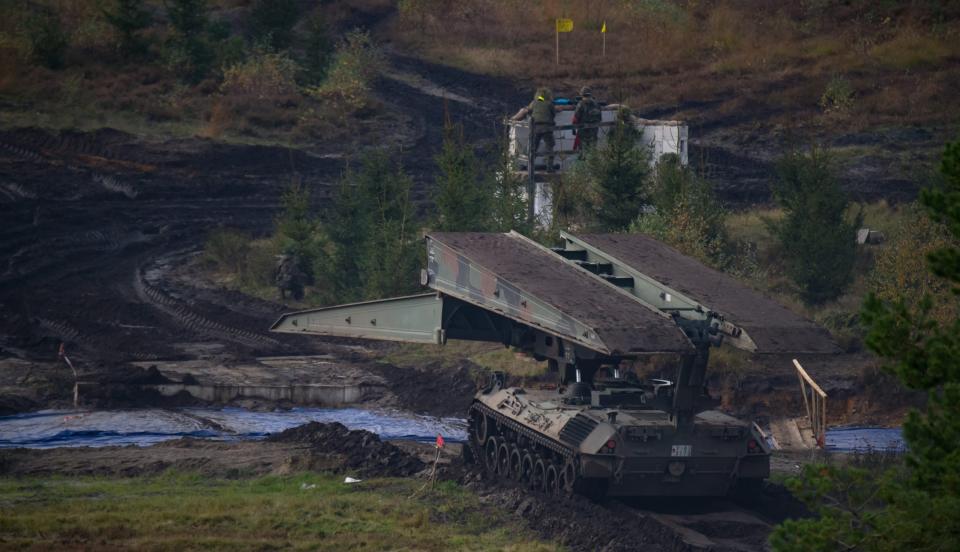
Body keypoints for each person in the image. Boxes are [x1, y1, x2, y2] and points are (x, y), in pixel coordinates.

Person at [511, 88, 556, 171]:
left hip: (535, 127)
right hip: (547, 128)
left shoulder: (534, 103)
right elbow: (553, 114)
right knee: (549, 147)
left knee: (533, 148)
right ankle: (549, 167)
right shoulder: (550, 103)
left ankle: (529, 166)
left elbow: (528, 111)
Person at [573, 86, 602, 150]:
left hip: (583, 132)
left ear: (582, 94)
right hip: (594, 131)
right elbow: (600, 118)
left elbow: (576, 117)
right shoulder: (597, 104)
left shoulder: (581, 104)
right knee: (593, 150)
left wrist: (574, 128)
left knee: (583, 151)